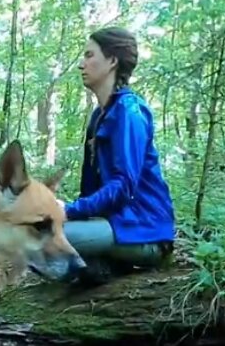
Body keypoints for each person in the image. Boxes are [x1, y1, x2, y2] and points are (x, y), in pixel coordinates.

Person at [60, 27, 176, 283]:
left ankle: (102, 265)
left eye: (89, 55)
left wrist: (68, 212)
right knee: (37, 234)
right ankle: (100, 266)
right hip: (116, 225)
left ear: (112, 61)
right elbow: (90, 188)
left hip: (145, 231)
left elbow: (123, 186)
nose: (82, 64)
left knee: (40, 240)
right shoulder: (98, 117)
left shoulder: (129, 112)